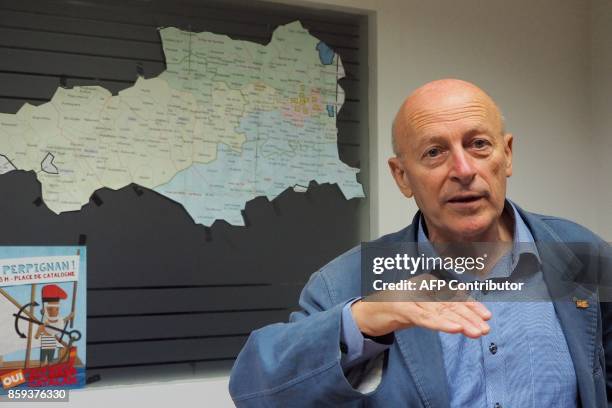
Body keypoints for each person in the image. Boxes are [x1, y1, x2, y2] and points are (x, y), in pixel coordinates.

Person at [229, 79, 611, 407]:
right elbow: (256, 389)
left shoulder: (578, 253)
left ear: (506, 155)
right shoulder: (350, 281)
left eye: (478, 144)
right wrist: (364, 320)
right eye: (434, 152)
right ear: (402, 176)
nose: (463, 171)